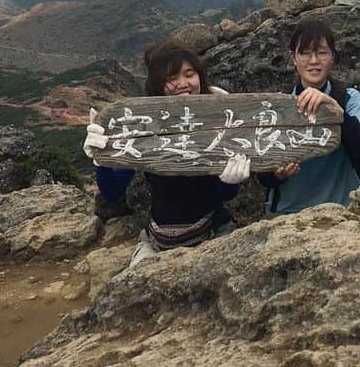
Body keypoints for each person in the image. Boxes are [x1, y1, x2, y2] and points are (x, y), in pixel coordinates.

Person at [85, 41, 251, 266]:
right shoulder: (145, 126)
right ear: (157, 85)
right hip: (158, 241)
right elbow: (112, 191)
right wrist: (102, 159)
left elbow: (223, 194)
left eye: (189, 74)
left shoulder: (220, 123)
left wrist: (230, 182)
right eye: (171, 78)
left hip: (213, 233)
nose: (183, 83)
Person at [258, 17, 360, 213]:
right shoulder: (278, 105)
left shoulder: (349, 98)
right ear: (293, 58)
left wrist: (337, 113)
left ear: (332, 56)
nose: (314, 61)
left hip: (342, 208)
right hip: (288, 213)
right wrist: (277, 175)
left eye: (322, 52)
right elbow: (263, 174)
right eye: (305, 53)